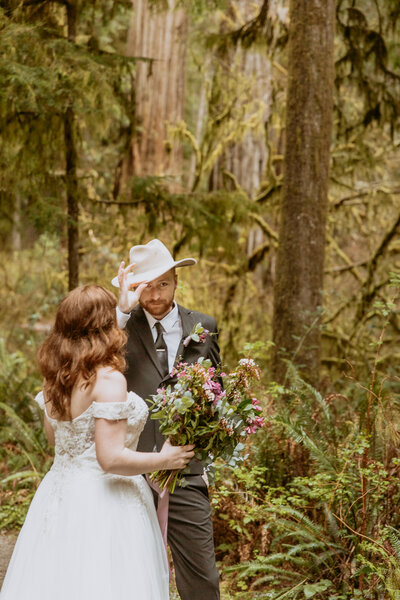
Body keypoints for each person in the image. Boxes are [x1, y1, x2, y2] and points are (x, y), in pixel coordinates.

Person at [1, 285, 194, 600]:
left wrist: (121, 305)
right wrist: (167, 459)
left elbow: (57, 442)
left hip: (58, 495)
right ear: (106, 328)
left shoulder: (55, 380)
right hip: (107, 503)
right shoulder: (108, 379)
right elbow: (110, 458)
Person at [112, 239, 221, 600]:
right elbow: (97, 364)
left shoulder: (203, 327)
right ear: (135, 287)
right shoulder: (120, 328)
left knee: (202, 576)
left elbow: (215, 391)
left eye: (163, 284)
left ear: (176, 281)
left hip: (186, 469)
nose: (155, 294)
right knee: (129, 573)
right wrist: (121, 314)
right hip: (132, 470)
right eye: (147, 286)